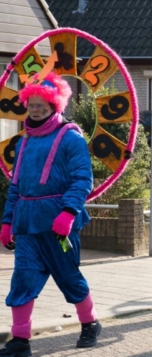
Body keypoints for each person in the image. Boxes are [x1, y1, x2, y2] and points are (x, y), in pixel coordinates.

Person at [0, 73, 100, 356]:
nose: (35, 109)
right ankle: (20, 341)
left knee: (68, 277)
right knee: (23, 278)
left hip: (59, 225)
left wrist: (68, 213)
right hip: (27, 224)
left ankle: (90, 323)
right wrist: (7, 221)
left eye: (41, 105)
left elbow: (82, 179)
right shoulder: (25, 141)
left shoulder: (71, 137)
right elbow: (16, 185)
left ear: (54, 105)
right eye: (31, 104)